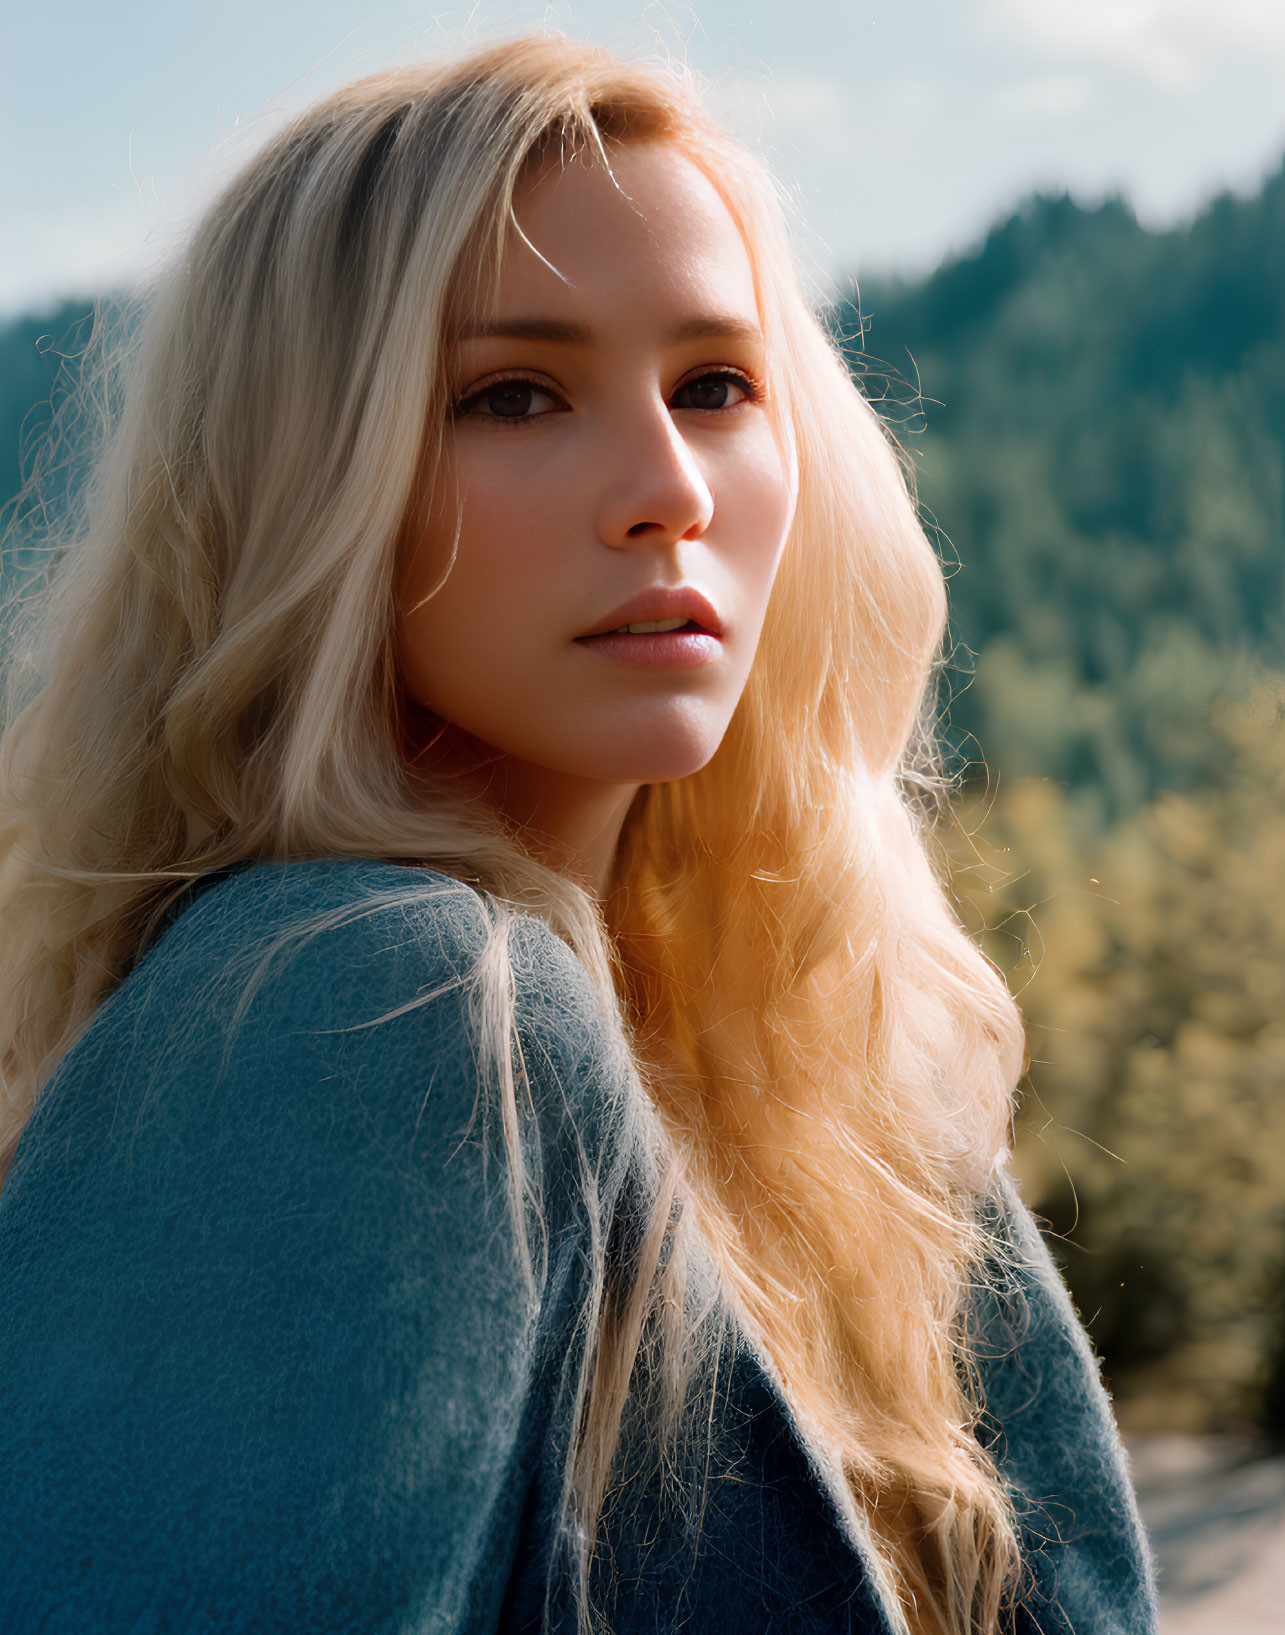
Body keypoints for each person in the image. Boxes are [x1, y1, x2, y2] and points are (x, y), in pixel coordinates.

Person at [0, 32, 1156, 1635]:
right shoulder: (360, 1001)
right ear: (306, 482)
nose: (667, 487)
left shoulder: (826, 1087)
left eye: (714, 386)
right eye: (515, 394)